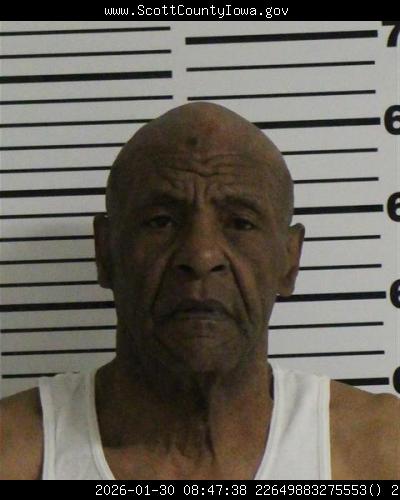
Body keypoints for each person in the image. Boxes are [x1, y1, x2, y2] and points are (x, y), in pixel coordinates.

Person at [1, 102, 399, 480]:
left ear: (289, 260)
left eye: (240, 223)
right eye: (161, 221)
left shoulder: (381, 450)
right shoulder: (14, 450)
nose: (201, 255)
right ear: (105, 252)